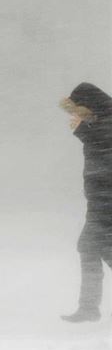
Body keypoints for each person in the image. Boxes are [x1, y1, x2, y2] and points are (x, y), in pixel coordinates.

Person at [59, 83, 112, 323]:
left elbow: (103, 148)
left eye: (78, 110)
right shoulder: (99, 121)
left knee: (93, 247)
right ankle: (89, 308)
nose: (76, 117)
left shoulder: (107, 122)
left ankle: (89, 307)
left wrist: (81, 128)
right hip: (99, 201)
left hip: (107, 201)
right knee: (91, 248)